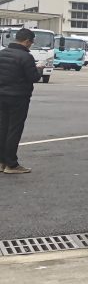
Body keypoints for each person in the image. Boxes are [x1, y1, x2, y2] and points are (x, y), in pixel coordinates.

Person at [0, 27, 41, 174]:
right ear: (27, 41)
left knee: (2, 128)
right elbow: (33, 77)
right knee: (14, 130)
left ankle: (1, 162)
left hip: (1, 96)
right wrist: (39, 69)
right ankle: (11, 164)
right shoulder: (26, 57)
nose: (31, 45)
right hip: (18, 98)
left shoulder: (2, 53)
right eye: (31, 42)